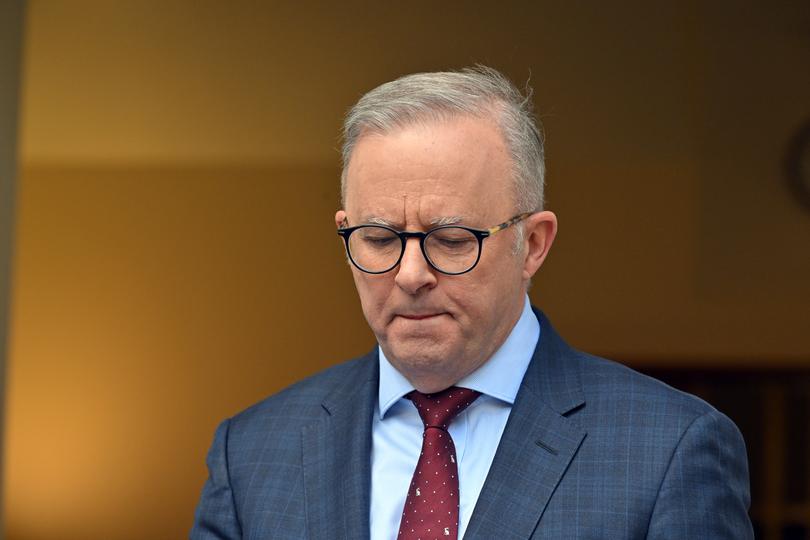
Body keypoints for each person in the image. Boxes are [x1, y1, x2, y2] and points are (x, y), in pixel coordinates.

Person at [191, 66, 753, 539]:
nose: (411, 274)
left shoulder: (669, 451)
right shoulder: (253, 453)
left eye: (452, 240)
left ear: (532, 244)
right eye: (380, 239)